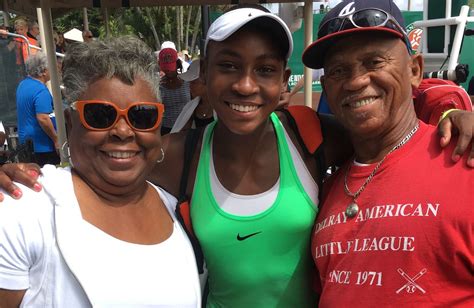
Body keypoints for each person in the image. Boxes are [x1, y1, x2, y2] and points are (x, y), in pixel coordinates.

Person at [0, 5, 473, 307]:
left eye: (265, 70)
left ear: (283, 83)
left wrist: (450, 107)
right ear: (202, 74)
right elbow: (103, 163)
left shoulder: (311, 136)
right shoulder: (178, 155)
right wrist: (20, 178)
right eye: (229, 66)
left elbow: (386, 119)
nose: (246, 85)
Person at [0, 36, 201, 307]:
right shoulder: (23, 211)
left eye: (142, 116)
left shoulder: (176, 209)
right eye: (99, 115)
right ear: (70, 124)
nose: (122, 131)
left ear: (157, 126)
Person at [301, 0, 474, 305]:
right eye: (339, 70)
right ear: (326, 88)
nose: (355, 81)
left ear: (415, 70)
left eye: (374, 62)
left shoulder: (465, 160)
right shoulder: (323, 187)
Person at [16, 52, 60, 166]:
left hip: (26, 145)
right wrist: (56, 139)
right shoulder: (41, 90)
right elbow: (43, 118)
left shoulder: (23, 84)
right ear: (44, 71)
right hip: (43, 147)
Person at [171, 59, 214, 132]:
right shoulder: (190, 107)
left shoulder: (222, 108)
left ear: (207, 82)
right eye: (189, 82)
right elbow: (181, 131)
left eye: (194, 82)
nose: (190, 86)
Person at [159, 47, 191, 134]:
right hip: (166, 129)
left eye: (170, 67)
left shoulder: (188, 82)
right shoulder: (158, 86)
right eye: (166, 68)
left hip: (186, 128)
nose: (168, 71)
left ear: (177, 64)